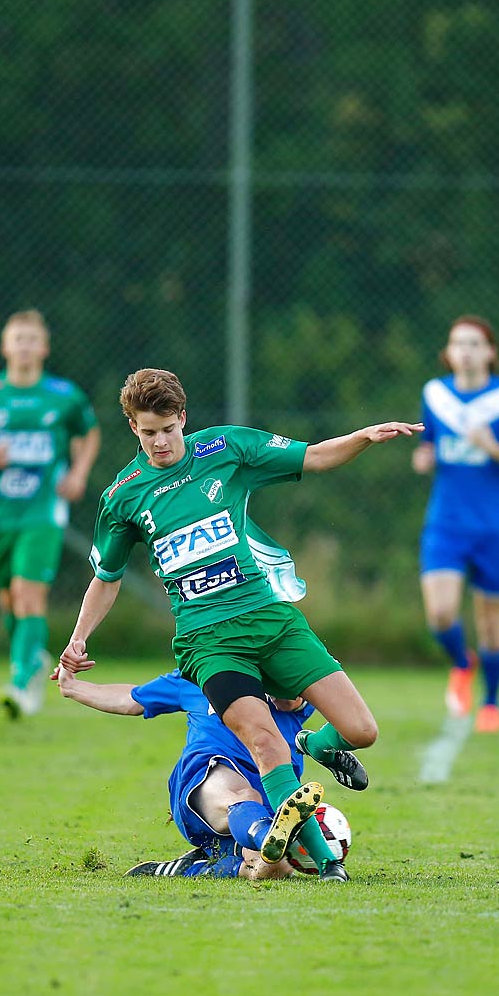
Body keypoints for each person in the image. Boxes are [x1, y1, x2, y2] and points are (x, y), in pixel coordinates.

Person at [60, 367, 421, 883]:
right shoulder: (124, 495)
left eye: (168, 428)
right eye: (148, 432)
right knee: (263, 738)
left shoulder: (226, 449)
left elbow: (314, 455)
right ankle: (325, 864)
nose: (160, 442)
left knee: (360, 731)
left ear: (183, 419)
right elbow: (107, 576)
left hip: (269, 619)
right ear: (133, 429)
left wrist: (363, 437)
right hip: (208, 642)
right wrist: (78, 639)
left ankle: (316, 749)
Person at [0, 310, 100, 718]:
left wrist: (79, 473)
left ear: (45, 348)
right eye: (18, 339)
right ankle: (32, 656)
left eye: (33, 339)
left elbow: (89, 432)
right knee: (9, 600)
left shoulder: (64, 395)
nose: (25, 346)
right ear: (5, 346)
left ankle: (21, 682)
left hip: (43, 513)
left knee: (29, 596)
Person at [412, 315, 499, 733]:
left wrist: (493, 447)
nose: (465, 351)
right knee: (440, 614)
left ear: (490, 352)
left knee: (490, 623)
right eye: (457, 344)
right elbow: (429, 443)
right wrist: (423, 456)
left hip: (494, 526)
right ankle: (461, 664)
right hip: (446, 523)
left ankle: (491, 703)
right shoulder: (435, 395)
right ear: (447, 354)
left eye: (474, 343)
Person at [57, 668, 315, 879]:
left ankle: (199, 868)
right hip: (205, 780)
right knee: (241, 793)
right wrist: (72, 687)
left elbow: (291, 699)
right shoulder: (198, 675)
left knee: (271, 869)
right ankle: (266, 835)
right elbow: (131, 700)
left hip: (264, 806)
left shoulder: (290, 678)